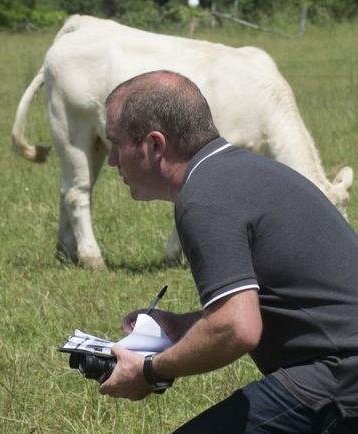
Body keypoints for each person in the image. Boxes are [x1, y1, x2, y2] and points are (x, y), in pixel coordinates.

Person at [98, 70, 358, 433]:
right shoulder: (238, 170)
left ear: (154, 146)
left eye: (116, 143)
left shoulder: (202, 198)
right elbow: (265, 307)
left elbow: (238, 328)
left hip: (339, 378)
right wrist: (181, 327)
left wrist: (147, 371)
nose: (111, 160)